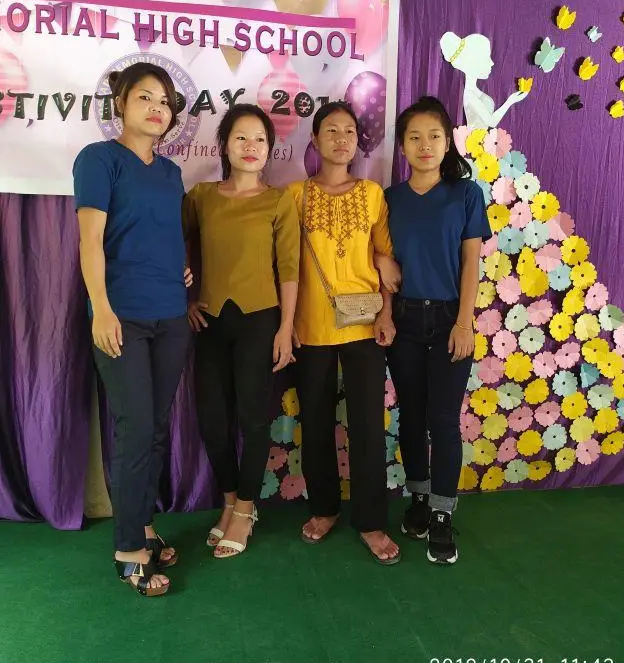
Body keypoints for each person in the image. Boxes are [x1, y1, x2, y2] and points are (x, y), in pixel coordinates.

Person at [73, 62, 192, 597]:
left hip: (171, 315)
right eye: (145, 97)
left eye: (165, 101)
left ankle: (143, 524)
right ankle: (127, 548)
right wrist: (100, 308)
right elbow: (90, 242)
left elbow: (163, 234)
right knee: (136, 427)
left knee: (156, 428)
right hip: (122, 316)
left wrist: (180, 267)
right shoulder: (98, 160)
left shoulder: (170, 173)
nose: (157, 108)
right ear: (120, 104)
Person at [183, 104, 299, 559]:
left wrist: (286, 327)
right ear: (225, 145)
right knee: (212, 418)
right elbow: (172, 244)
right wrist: (185, 298)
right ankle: (230, 501)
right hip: (210, 321)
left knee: (253, 419)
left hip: (260, 319)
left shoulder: (279, 201)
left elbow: (289, 269)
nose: (251, 147)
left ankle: (247, 510)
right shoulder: (201, 196)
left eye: (260, 140)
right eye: (241, 138)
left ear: (270, 149)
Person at [289, 101, 401, 566]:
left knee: (367, 425)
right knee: (315, 422)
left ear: (358, 141)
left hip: (364, 323)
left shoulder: (373, 194)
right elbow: (285, 266)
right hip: (310, 326)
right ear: (314, 140)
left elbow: (386, 257)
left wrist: (387, 314)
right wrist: (287, 323)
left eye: (349, 131)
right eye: (331, 130)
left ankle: (371, 520)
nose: (341, 138)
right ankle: (324, 509)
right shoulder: (295, 195)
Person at [384, 96, 491, 565]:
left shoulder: (465, 194)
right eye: (415, 137)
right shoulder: (390, 199)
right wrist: (383, 270)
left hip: (450, 319)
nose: (425, 145)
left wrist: (465, 322)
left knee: (443, 420)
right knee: (410, 416)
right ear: (402, 146)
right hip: (404, 320)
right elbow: (381, 256)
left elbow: (471, 262)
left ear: (448, 142)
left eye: (434, 136)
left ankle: (443, 514)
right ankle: (420, 498)